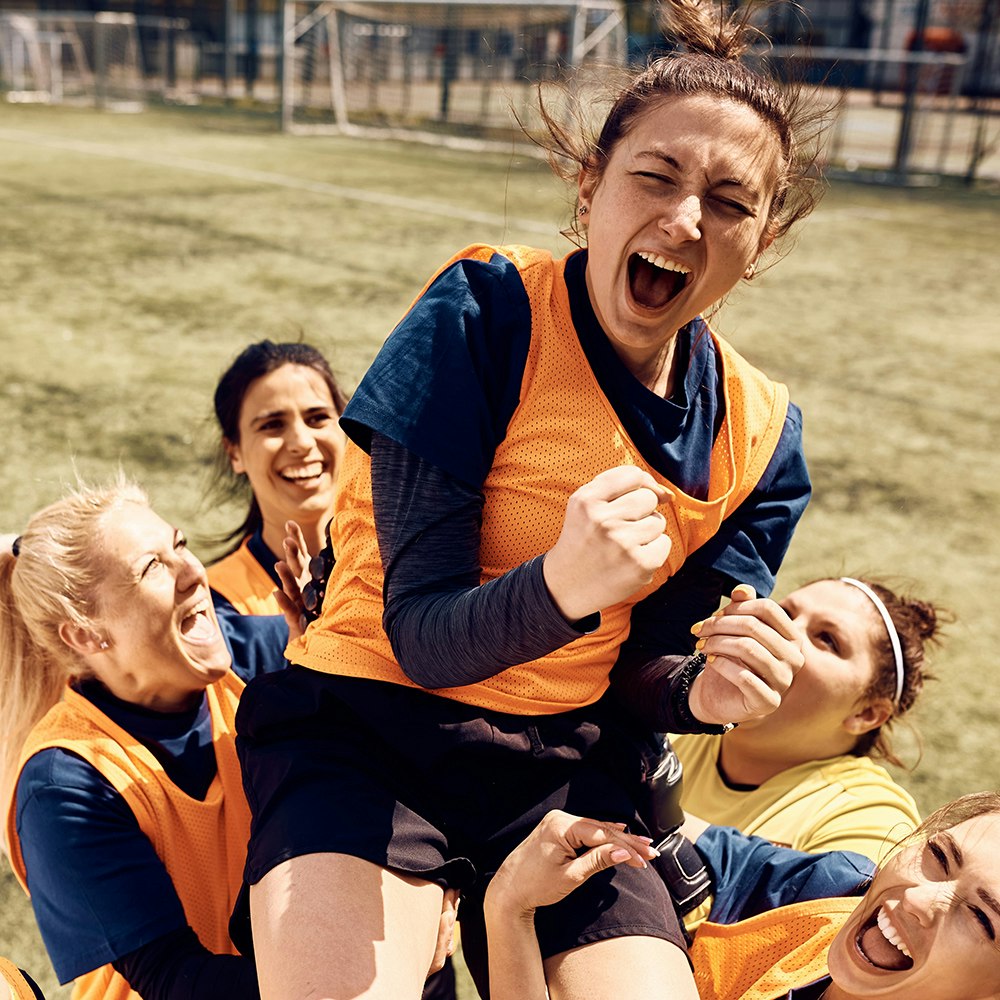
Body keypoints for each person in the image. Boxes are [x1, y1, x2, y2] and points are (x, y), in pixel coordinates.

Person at [234, 3, 831, 997]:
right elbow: (420, 637)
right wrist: (562, 582)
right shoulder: (484, 312)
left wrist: (698, 691)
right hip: (371, 718)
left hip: (565, 766)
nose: (686, 219)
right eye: (657, 176)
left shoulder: (762, 434)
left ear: (761, 239)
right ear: (590, 184)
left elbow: (646, 669)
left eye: (730, 201)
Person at [0, 481, 292, 999]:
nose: (195, 571)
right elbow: (174, 979)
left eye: (179, 545)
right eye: (152, 567)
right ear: (86, 634)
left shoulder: (249, 662)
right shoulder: (63, 784)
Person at [486, 795, 1000, 1000]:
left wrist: (508, 910)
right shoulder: (836, 893)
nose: (918, 899)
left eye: (980, 916)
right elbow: (689, 844)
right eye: (938, 854)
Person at [673, 575, 942, 860]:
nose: (783, 633)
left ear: (866, 713)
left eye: (827, 639)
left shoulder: (870, 819)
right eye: (786, 613)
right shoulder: (669, 719)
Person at [207, 339, 348, 616]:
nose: (302, 442)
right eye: (272, 425)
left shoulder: (399, 562)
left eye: (317, 417)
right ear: (234, 452)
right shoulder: (218, 609)